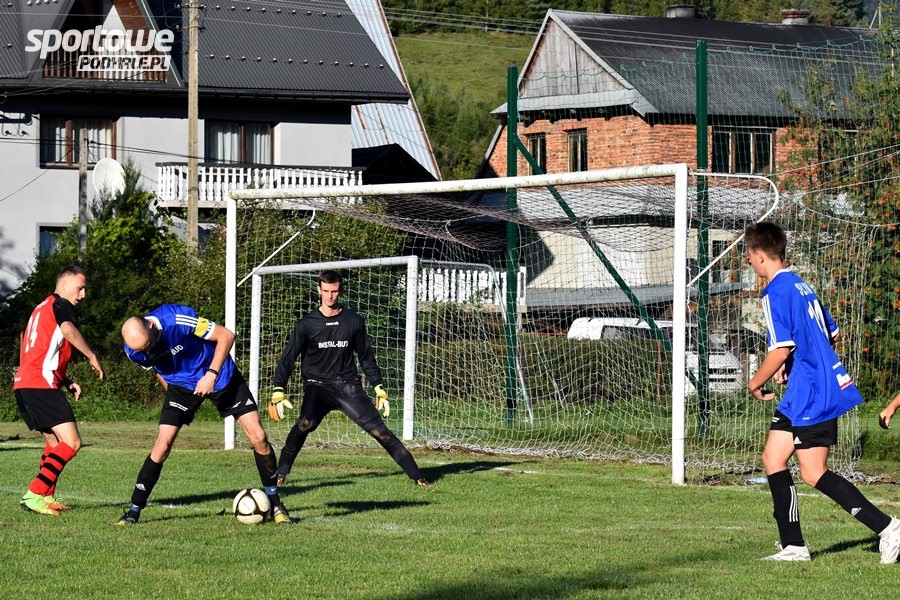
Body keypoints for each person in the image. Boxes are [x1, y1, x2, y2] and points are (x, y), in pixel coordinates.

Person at [744, 221, 899, 563]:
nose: (748, 263)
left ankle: (888, 528)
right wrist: (794, 363)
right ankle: (794, 546)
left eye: (749, 257)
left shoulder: (774, 291)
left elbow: (780, 348)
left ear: (759, 255)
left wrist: (755, 382)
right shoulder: (801, 285)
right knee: (773, 458)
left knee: (813, 471)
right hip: (803, 390)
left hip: (813, 393)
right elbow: (832, 333)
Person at [116, 304, 290, 525]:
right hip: (181, 386)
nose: (146, 351)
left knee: (258, 437)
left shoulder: (176, 319)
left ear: (150, 326)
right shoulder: (134, 351)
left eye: (148, 345)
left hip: (220, 375)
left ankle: (276, 503)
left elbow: (226, 336)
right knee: (162, 446)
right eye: (142, 350)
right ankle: (133, 511)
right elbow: (158, 368)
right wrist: (172, 394)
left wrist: (211, 375)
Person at [269, 270, 430, 490]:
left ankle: (418, 476)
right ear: (319, 290)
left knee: (380, 431)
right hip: (317, 386)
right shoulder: (306, 324)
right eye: (326, 291)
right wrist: (278, 388)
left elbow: (366, 357)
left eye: (334, 291)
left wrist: (378, 386)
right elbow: (288, 358)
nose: (330, 296)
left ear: (340, 291)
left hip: (347, 386)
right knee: (306, 424)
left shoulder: (353, 321)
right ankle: (280, 473)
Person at [14, 265, 104, 515]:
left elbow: (40, 350)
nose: (83, 295)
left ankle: (46, 496)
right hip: (40, 384)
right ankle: (34, 495)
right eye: (80, 288)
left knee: (54, 444)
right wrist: (91, 355)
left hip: (26, 383)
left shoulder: (40, 308)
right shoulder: (60, 304)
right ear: (64, 284)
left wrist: (65, 380)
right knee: (72, 442)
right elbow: (67, 330)